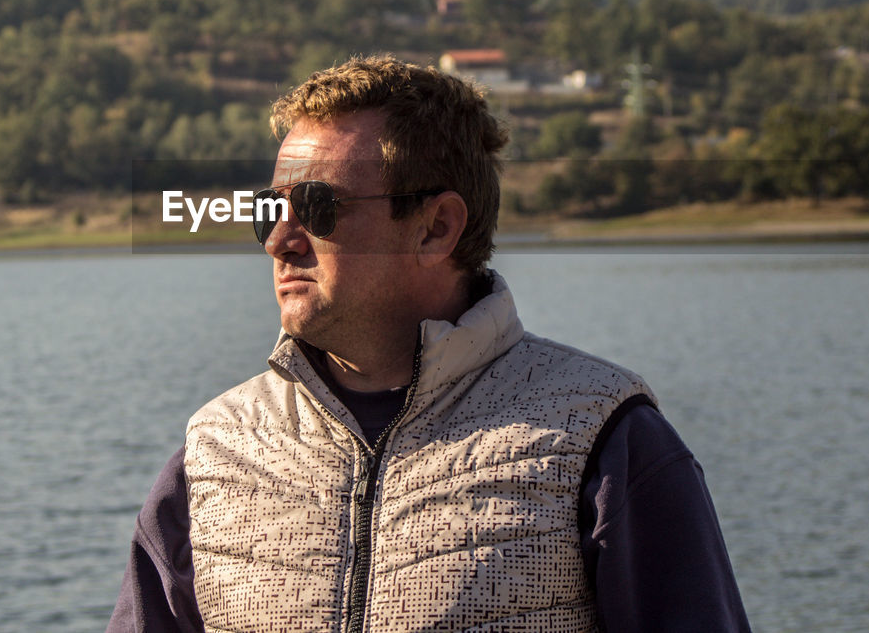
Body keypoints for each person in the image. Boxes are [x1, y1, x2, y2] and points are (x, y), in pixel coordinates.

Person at [107, 56, 750, 633]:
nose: (280, 240)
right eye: (268, 209)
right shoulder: (214, 454)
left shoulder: (603, 440)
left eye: (318, 207)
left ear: (436, 227)